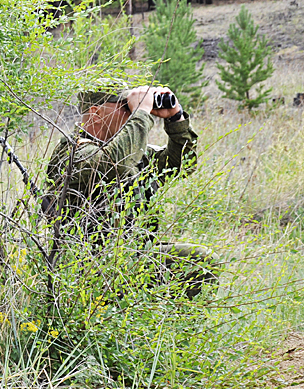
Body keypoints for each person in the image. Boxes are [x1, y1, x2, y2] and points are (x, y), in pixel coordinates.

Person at [42, 85, 219, 297]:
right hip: (89, 267)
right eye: (125, 107)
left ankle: (185, 326)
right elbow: (114, 164)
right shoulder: (73, 153)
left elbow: (182, 165)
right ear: (96, 114)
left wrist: (176, 119)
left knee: (199, 261)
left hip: (132, 257)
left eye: (133, 107)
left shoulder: (130, 152)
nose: (131, 112)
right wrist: (142, 113)